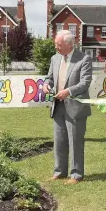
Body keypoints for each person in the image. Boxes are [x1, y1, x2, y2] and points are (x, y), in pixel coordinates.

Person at [43, 30, 92, 185]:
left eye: (58, 44)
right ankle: (59, 172)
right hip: (58, 106)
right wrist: (46, 85)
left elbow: (85, 82)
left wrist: (68, 91)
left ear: (69, 44)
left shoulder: (84, 59)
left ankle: (76, 175)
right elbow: (49, 78)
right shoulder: (54, 58)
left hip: (76, 108)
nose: (56, 47)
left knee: (75, 142)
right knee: (59, 141)